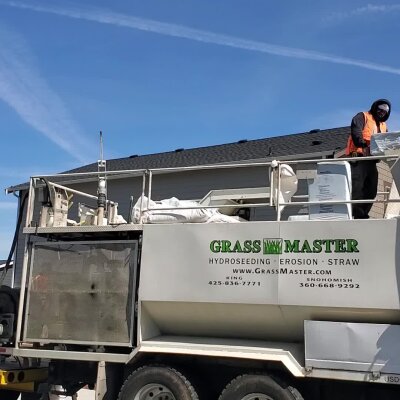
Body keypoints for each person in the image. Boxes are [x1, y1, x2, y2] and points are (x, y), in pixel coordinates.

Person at [346, 98, 391, 219]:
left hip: (372, 161)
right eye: (380, 109)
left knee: (371, 189)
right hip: (359, 158)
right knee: (357, 188)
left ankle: (363, 213)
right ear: (375, 108)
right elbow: (356, 132)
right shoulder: (363, 116)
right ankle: (356, 214)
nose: (382, 112)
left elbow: (386, 142)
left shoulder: (383, 125)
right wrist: (363, 144)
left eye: (385, 112)